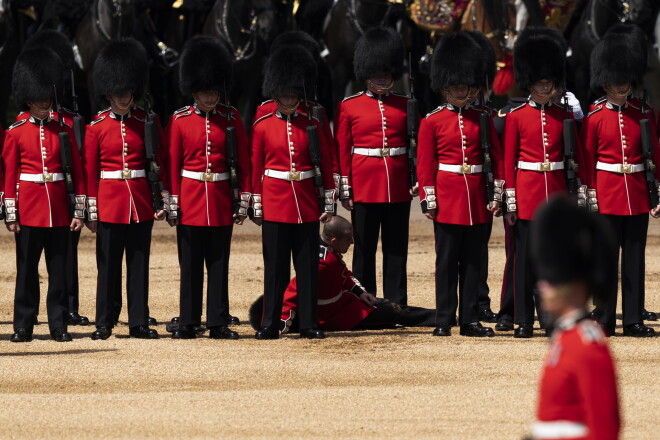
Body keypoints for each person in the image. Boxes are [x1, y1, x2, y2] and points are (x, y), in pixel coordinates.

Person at [417, 32, 503, 337]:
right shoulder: (432, 121)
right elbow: (425, 164)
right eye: (455, 86)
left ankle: (469, 320)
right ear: (445, 87)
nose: (460, 90)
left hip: (477, 195)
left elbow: (497, 157)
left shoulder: (483, 117)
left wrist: (498, 194)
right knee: (447, 262)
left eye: (465, 86)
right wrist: (429, 197)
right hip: (449, 195)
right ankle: (444, 319)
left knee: (473, 263)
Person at [166, 36, 250, 340]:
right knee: (189, 266)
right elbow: (172, 164)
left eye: (214, 90)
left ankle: (217, 321)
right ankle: (188, 321)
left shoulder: (231, 118)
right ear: (194, 90)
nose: (210, 97)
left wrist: (244, 199)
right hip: (189, 199)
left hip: (220, 200)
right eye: (204, 91)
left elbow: (244, 162)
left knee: (218, 264)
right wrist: (172, 200)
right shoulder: (179, 120)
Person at [84, 38, 168, 340]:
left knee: (138, 263)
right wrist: (91, 209)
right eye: (118, 92)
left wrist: (163, 197)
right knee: (107, 266)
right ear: (108, 92)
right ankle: (104, 322)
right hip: (109, 202)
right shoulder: (96, 127)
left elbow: (161, 161)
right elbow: (90, 171)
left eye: (128, 91)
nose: (123, 97)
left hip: (141, 201)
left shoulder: (147, 121)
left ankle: (138, 321)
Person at [250, 44, 335, 340]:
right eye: (284, 94)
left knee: (307, 267)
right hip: (275, 200)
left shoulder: (311, 123)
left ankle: (310, 323)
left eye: (293, 94)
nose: (289, 99)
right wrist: (256, 204)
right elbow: (255, 167)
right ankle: (269, 323)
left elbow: (325, 162)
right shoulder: (262, 125)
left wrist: (329, 199)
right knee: (275, 269)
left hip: (307, 202)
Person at [503, 27, 583, 338]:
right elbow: (509, 162)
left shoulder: (564, 116)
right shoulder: (516, 117)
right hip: (527, 193)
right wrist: (511, 200)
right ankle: (523, 319)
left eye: (548, 81)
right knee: (525, 264)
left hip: (558, 196)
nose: (545, 86)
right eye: (539, 81)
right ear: (530, 83)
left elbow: (577, 160)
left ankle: (551, 317)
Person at [581, 24, 659, 337]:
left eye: (625, 79)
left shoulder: (643, 112)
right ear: (605, 81)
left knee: (635, 260)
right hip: (608, 193)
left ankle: (633, 318)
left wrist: (657, 192)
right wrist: (590, 194)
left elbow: (655, 154)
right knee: (606, 260)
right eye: (615, 79)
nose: (622, 84)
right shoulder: (595, 116)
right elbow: (587, 159)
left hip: (638, 192)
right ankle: (604, 317)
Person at [3, 47, 86, 342]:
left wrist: (78, 211)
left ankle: (58, 323)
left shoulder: (62, 129)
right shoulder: (15, 132)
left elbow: (77, 173)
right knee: (26, 271)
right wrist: (11, 214)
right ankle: (23, 324)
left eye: (46, 96)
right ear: (28, 97)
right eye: (37, 97)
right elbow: (10, 176)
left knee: (59, 272)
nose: (42, 102)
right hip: (28, 208)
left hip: (59, 208)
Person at [529, 197, 620, 440]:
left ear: (576, 287)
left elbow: (605, 430)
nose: (543, 286)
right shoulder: (567, 336)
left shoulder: (587, 346)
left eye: (552, 280)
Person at [334, 27, 413, 306]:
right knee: (364, 249)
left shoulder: (406, 104)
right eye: (377, 74)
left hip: (398, 184)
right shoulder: (349, 106)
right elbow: (342, 149)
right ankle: (364, 301)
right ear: (366, 74)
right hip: (364, 184)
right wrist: (345, 187)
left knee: (396, 249)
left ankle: (396, 302)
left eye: (387, 74)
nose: (382, 79)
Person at [248, 216, 435, 333]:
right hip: (337, 316)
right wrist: (283, 323)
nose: (352, 242)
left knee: (391, 307)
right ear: (334, 240)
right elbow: (292, 292)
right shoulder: (321, 261)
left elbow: (345, 275)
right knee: (394, 313)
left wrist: (360, 292)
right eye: (348, 239)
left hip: (346, 304)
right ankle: (441, 318)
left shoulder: (330, 252)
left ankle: (441, 316)